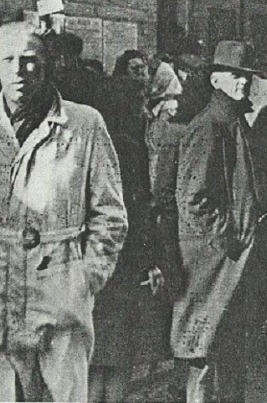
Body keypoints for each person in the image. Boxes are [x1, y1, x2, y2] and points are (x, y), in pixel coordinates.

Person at [0, 21, 127, 401]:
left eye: (30, 59)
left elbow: (110, 214)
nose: (19, 70)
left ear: (47, 63)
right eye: (8, 60)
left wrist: (86, 276)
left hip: (60, 286)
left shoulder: (84, 125)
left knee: (63, 393)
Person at [171, 40, 260, 403]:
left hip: (229, 256)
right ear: (215, 79)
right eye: (234, 75)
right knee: (203, 351)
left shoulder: (233, 120)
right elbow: (192, 197)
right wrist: (227, 237)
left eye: (245, 76)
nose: (242, 82)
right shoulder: (209, 125)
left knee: (226, 348)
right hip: (212, 258)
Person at [89, 77, 169, 402]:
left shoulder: (93, 142)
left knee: (96, 359)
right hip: (124, 261)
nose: (146, 113)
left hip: (95, 257)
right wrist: (151, 261)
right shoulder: (130, 148)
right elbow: (138, 210)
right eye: (141, 105)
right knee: (120, 357)